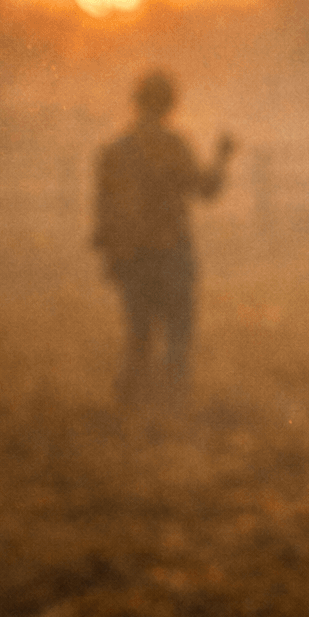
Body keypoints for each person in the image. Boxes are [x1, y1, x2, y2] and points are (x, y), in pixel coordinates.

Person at [92, 69, 235, 405]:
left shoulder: (115, 151)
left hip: (130, 255)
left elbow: (103, 211)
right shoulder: (173, 145)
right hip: (171, 250)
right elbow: (206, 190)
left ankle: (130, 404)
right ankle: (172, 401)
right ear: (171, 104)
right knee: (178, 330)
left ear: (137, 102)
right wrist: (223, 157)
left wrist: (111, 257)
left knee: (139, 333)